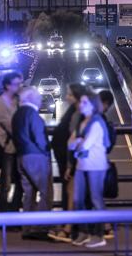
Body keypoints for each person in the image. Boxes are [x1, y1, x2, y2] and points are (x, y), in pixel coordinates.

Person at [69, 93, 109, 248]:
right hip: (81, 165)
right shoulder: (81, 121)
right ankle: (84, 232)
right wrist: (77, 143)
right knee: (78, 200)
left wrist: (77, 143)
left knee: (96, 199)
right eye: (81, 101)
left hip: (96, 166)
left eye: (85, 102)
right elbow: (70, 144)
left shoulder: (97, 122)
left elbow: (83, 145)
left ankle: (99, 235)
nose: (81, 104)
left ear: (93, 104)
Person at [12, 86, 52, 239]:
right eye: (38, 96)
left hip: (21, 157)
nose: (40, 99)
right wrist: (47, 152)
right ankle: (40, 226)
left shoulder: (17, 115)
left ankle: (27, 227)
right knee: (45, 192)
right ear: (30, 98)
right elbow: (40, 139)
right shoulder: (32, 115)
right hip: (36, 157)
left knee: (28, 194)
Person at [49, 83, 86, 243]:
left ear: (77, 97)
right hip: (71, 160)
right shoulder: (76, 111)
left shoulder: (79, 114)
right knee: (78, 194)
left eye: (69, 94)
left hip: (75, 161)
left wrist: (70, 164)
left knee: (72, 194)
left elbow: (74, 139)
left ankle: (69, 230)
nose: (66, 97)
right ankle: (76, 228)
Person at [0, 72, 23, 212]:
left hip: (19, 148)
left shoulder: (19, 100)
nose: (19, 86)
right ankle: (4, 215)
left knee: (20, 183)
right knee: (6, 184)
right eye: (16, 84)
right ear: (7, 85)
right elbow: (12, 125)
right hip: (7, 149)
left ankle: (14, 213)